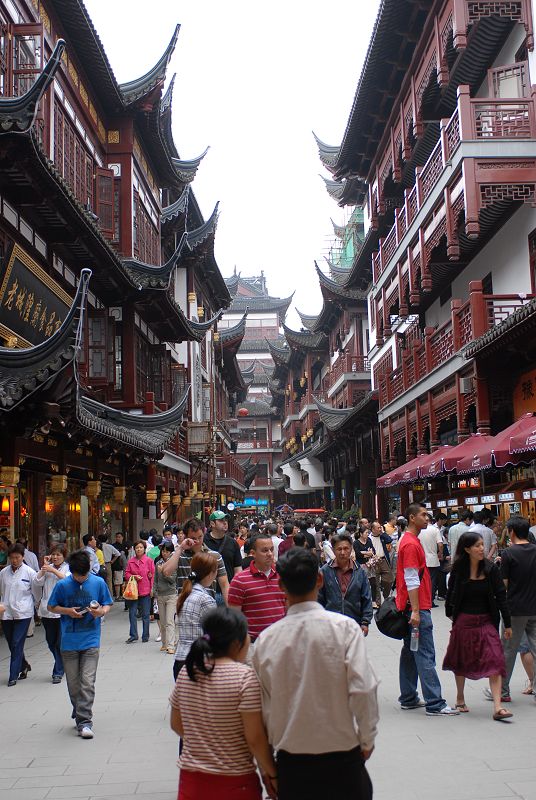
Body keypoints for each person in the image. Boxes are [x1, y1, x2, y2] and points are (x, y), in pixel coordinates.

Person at [253, 549, 378, 800]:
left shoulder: (266, 641)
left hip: (293, 764)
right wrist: (366, 739)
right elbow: (363, 688)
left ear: (280, 585)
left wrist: (268, 769)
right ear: (319, 580)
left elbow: (262, 709)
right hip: (343, 756)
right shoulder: (345, 629)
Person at [170, 606, 277, 800]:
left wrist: (206, 741)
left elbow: (176, 723)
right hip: (235, 782)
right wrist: (271, 773)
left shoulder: (188, 672)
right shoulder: (244, 677)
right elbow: (255, 737)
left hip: (191, 782)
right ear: (237, 643)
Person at [395, 503, 458, 715]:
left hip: (410, 605)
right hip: (417, 607)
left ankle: (409, 696)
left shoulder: (408, 540)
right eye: (422, 514)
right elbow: (412, 579)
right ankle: (434, 703)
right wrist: (415, 610)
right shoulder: (411, 544)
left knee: (410, 652)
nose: (427, 517)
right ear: (412, 518)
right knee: (425, 653)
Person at [443, 532, 512, 721]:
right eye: (477, 546)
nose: (482, 549)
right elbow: (451, 594)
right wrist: (450, 613)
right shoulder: (459, 569)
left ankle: (498, 707)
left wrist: (507, 623)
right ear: (467, 549)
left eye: (482, 545)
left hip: (486, 621)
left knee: (495, 659)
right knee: (461, 659)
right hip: (464, 622)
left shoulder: (491, 570)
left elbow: (501, 597)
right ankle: (460, 697)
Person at [48, 549, 112, 738]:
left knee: (87, 682)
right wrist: (68, 611)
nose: (81, 579)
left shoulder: (98, 582)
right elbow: (51, 606)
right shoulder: (63, 585)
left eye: (84, 576)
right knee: (74, 685)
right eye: (78, 576)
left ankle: (84, 722)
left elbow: (107, 603)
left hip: (91, 639)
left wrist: (101, 612)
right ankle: (79, 709)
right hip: (69, 641)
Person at [495, 516, 536, 703]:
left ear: (511, 531)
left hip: (515, 609)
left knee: (508, 651)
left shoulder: (508, 554)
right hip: (534, 606)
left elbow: (503, 585)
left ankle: (503, 691)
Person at [228, 533, 286, 650]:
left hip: (280, 643)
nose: (270, 554)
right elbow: (234, 618)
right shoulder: (240, 581)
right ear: (253, 553)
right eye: (264, 550)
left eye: (271, 549)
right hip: (253, 645)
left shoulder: (283, 577)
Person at [173, 551, 218, 680]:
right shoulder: (205, 599)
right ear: (211, 573)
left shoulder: (185, 594)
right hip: (198, 661)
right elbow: (215, 634)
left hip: (180, 658)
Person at [162, 518, 229, 601]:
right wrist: (180, 548)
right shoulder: (178, 555)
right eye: (193, 538)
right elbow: (166, 572)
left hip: (208, 608)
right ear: (186, 537)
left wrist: (230, 610)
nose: (197, 541)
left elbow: (225, 585)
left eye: (200, 537)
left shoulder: (215, 556)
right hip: (185, 607)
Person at [318, 532, 373, 635]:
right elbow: (319, 598)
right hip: (331, 625)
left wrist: (365, 622)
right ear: (333, 550)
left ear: (351, 549)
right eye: (339, 549)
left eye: (346, 548)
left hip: (353, 624)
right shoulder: (324, 571)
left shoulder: (359, 572)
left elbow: (366, 597)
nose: (343, 552)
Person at [0, 543, 36, 686]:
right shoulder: (3, 573)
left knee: (16, 642)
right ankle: (24, 665)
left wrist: (36, 605)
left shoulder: (29, 572)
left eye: (17, 557)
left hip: (23, 613)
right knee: (11, 643)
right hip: (7, 611)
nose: (14, 560)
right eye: (12, 558)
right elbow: (2, 590)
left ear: (22, 557)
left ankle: (13, 675)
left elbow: (36, 592)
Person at [34, 544, 70, 683]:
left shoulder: (68, 568)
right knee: (50, 641)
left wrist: (53, 571)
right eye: (53, 554)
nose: (55, 557)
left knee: (59, 642)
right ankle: (63, 664)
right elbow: (37, 582)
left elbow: (67, 580)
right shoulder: (47, 568)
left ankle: (58, 672)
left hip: (62, 610)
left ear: (64, 556)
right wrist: (44, 568)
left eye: (58, 555)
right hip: (47, 609)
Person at [204, 511, 242, 594]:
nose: (225, 522)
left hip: (227, 589)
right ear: (212, 524)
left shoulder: (232, 543)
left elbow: (238, 568)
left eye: (226, 520)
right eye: (221, 520)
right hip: (207, 590)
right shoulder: (204, 541)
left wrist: (236, 587)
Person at [124, 540, 154, 643]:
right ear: (134, 549)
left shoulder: (149, 561)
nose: (139, 549)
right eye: (137, 547)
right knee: (132, 613)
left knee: (145, 615)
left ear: (144, 549)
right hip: (133, 592)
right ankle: (133, 635)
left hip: (145, 590)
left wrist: (152, 589)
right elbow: (126, 574)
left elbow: (152, 576)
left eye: (141, 547)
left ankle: (145, 636)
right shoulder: (131, 561)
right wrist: (133, 576)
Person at [154, 542, 178, 653]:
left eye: (167, 551)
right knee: (162, 621)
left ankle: (171, 645)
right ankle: (164, 643)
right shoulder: (158, 563)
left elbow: (173, 579)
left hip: (171, 595)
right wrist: (154, 591)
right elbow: (155, 579)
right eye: (163, 551)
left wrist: (163, 571)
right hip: (160, 595)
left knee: (169, 621)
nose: (164, 553)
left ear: (171, 552)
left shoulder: (173, 563)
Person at [418, 518, 443, 607]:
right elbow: (440, 544)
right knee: (432, 581)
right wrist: (440, 553)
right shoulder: (435, 530)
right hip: (432, 559)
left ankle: (422, 600)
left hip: (421, 560)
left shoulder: (419, 530)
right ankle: (430, 601)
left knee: (421, 581)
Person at [369, 521, 393, 606]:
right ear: (372, 529)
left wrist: (383, 532)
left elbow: (389, 540)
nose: (380, 529)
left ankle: (386, 596)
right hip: (374, 562)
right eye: (378, 528)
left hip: (383, 560)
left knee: (389, 580)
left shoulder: (382, 536)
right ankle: (378, 603)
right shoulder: (369, 538)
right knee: (376, 583)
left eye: (380, 527)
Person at [353, 525, 377, 605]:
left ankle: (373, 601)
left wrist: (365, 553)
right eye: (366, 532)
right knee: (362, 583)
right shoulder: (356, 543)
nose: (367, 534)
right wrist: (367, 553)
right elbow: (358, 554)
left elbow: (373, 551)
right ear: (361, 534)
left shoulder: (369, 541)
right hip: (361, 565)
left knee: (373, 583)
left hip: (370, 564)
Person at [97, 533, 120, 598]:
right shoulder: (109, 546)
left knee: (99, 580)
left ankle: (101, 596)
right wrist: (112, 561)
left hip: (99, 565)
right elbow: (118, 554)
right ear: (107, 540)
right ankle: (110, 596)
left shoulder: (97, 547)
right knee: (109, 581)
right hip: (108, 564)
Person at [111, 532, 128, 600]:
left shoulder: (124, 545)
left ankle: (122, 595)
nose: (118, 538)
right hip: (116, 566)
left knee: (123, 581)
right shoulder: (113, 546)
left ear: (122, 537)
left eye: (119, 537)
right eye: (117, 537)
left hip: (124, 567)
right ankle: (117, 596)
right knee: (117, 582)